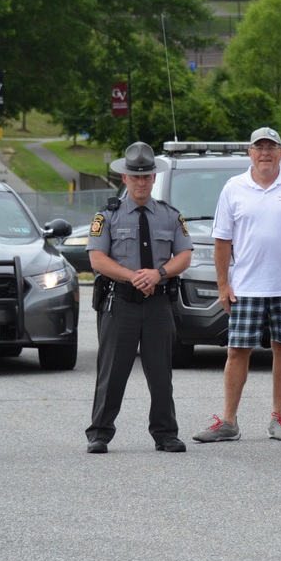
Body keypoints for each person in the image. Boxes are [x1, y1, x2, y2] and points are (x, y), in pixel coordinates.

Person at [193, 127, 281, 444]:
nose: (265, 153)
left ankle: (277, 418)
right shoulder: (234, 188)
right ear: (250, 153)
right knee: (236, 351)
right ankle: (229, 421)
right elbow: (222, 240)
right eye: (259, 147)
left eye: (271, 147)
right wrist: (223, 285)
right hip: (246, 287)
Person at [85, 142, 193, 454]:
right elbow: (97, 259)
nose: (141, 182)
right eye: (135, 177)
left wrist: (159, 273)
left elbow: (184, 255)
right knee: (112, 371)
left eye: (146, 177)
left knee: (161, 373)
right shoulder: (107, 216)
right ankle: (99, 433)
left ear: (154, 178)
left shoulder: (170, 216)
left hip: (158, 303)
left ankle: (166, 434)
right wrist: (132, 276)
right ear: (125, 178)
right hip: (121, 302)